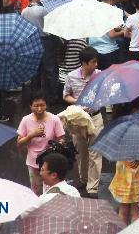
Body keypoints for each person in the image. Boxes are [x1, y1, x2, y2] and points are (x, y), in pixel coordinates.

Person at [62, 46, 103, 197]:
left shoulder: (100, 76)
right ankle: (84, 179)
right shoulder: (71, 77)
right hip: (78, 120)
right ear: (84, 63)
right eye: (93, 62)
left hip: (95, 118)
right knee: (81, 151)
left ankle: (93, 187)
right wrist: (77, 101)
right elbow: (66, 95)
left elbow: (105, 95)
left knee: (95, 153)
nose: (96, 65)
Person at [16, 94, 66, 195]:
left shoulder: (54, 119)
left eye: (42, 105)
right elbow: (19, 143)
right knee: (36, 191)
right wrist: (31, 135)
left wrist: (59, 144)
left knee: (50, 191)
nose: (39, 108)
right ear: (30, 106)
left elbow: (61, 138)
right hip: (33, 161)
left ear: (46, 105)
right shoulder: (26, 120)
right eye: (36, 105)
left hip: (50, 162)